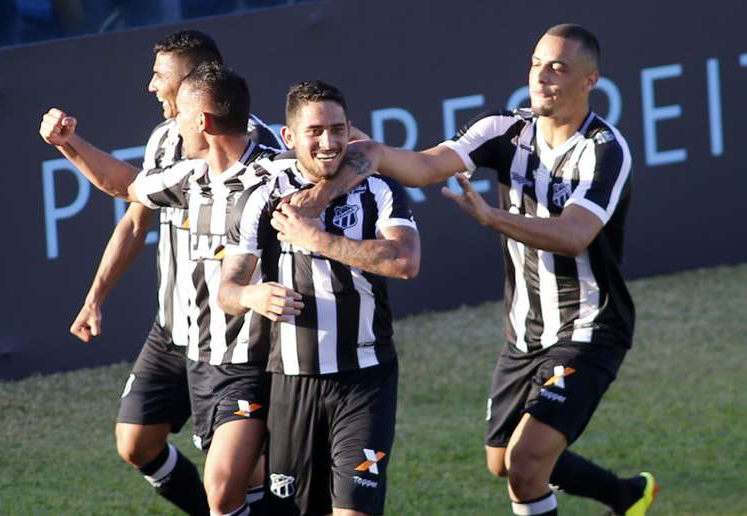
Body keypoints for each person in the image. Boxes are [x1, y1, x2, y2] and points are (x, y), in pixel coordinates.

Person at [297, 24, 658, 516]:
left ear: (590, 80)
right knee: (501, 462)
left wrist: (493, 218)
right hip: (525, 329)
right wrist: (375, 154)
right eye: (536, 64)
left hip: (592, 325)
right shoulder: (505, 128)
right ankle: (625, 495)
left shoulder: (604, 150)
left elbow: (575, 234)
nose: (542, 78)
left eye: (558, 69)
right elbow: (427, 166)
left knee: (527, 464)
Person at [40, 62, 280, 515]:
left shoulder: (275, 171)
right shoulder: (189, 173)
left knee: (233, 482)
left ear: (203, 113)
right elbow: (128, 188)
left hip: (244, 351)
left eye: (162, 77)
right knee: (151, 451)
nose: (152, 88)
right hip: (179, 335)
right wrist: (67, 143)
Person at [217, 80, 420, 516]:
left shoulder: (380, 190)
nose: (329, 142)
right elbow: (227, 290)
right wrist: (252, 295)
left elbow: (404, 261)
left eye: (338, 129)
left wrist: (316, 239)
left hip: (366, 378)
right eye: (315, 131)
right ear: (289, 137)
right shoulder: (260, 199)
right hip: (293, 381)